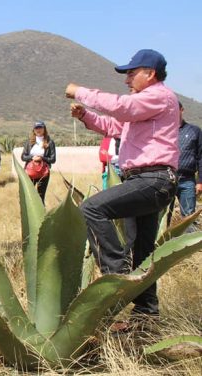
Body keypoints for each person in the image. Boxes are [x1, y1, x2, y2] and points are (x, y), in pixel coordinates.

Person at [66, 48, 179, 318]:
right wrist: (85, 117)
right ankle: (146, 315)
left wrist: (80, 91)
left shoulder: (158, 96)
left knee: (91, 208)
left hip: (153, 179)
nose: (127, 79)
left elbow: (120, 107)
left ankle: (116, 274)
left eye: (131, 73)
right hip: (145, 180)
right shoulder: (144, 105)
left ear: (150, 74)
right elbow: (116, 127)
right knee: (142, 252)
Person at [172, 102, 202, 219]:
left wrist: (200, 181)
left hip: (187, 181)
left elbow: (201, 157)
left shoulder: (195, 131)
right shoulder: (164, 131)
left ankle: (188, 237)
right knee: (163, 215)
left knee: (188, 217)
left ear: (182, 110)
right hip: (167, 179)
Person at [21, 121, 56, 203]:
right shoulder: (28, 142)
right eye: (36, 128)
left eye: (40, 127)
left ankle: (42, 215)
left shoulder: (50, 142)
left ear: (44, 129)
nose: (38, 129)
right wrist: (32, 157)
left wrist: (42, 158)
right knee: (29, 196)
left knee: (41, 196)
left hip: (43, 174)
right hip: (30, 173)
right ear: (34, 130)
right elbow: (23, 157)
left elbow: (53, 159)